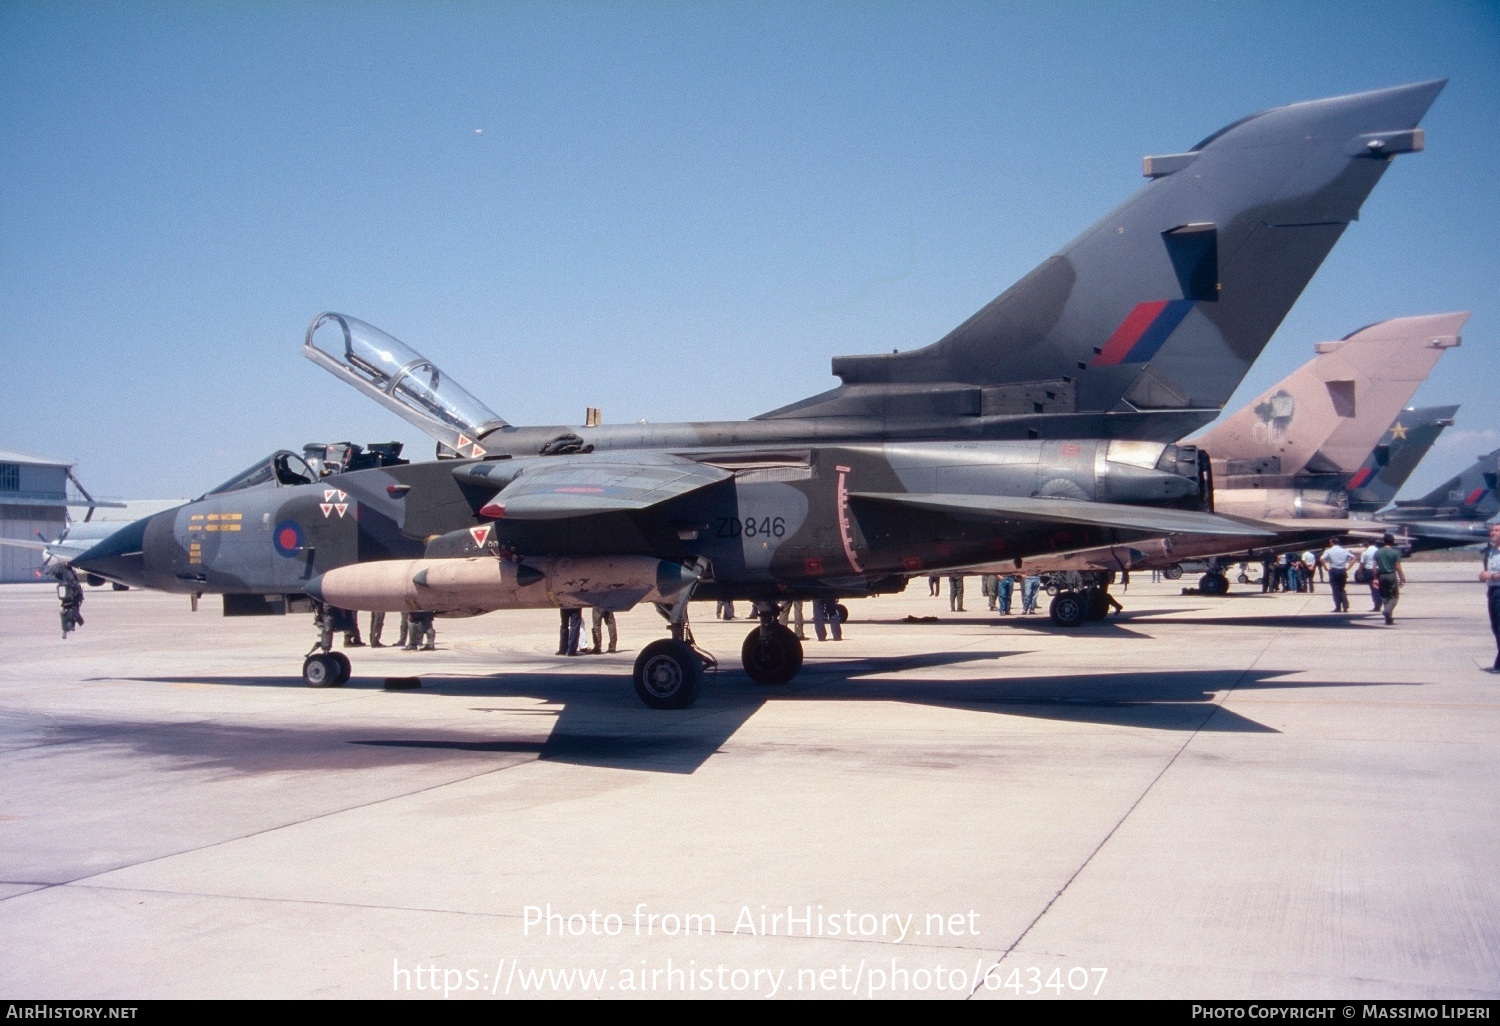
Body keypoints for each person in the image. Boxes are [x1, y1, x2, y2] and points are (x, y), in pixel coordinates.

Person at [1480, 522, 1500, 672]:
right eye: (1492, 530)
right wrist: (1485, 576)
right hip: (1493, 591)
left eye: (1497, 530)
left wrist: (1491, 575)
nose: (1493, 532)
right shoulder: (1491, 551)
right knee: (1495, 627)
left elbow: (1492, 573)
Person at [1374, 534, 1406, 625]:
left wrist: (1375, 577)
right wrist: (1401, 578)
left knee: (1385, 597)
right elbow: (1398, 567)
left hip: (1381, 575)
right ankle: (1387, 611)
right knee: (1394, 596)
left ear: (1383, 541)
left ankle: (1388, 619)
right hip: (1391, 575)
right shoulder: (1395, 552)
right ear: (1392, 541)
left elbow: (1374, 566)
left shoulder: (1378, 552)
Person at [1321, 538, 1355, 613]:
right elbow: (1353, 557)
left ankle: (1338, 606)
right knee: (1342, 588)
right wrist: (1349, 567)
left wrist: (1326, 567)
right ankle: (1345, 605)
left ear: (1332, 543)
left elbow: (1321, 559)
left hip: (1334, 570)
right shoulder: (1344, 550)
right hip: (1342, 570)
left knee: (1335, 589)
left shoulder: (1329, 551)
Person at [1358, 541, 1383, 612]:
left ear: (1367, 544)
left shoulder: (1365, 552)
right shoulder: (1378, 551)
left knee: (1374, 589)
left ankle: (1377, 605)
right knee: (1380, 588)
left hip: (1370, 570)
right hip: (1379, 570)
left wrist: (1359, 572)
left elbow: (1362, 564)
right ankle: (1380, 602)